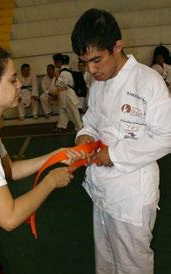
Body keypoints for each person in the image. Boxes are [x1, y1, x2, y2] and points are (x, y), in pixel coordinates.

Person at [0, 42, 85, 274]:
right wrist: (51, 181)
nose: (19, 85)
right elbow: (9, 217)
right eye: (12, 79)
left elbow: (9, 170)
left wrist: (55, 156)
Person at [71, 8, 171, 274]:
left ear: (117, 46)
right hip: (101, 190)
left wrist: (113, 155)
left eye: (96, 60)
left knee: (132, 266)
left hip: (132, 195)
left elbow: (166, 137)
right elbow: (91, 118)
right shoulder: (98, 83)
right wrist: (85, 135)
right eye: (85, 62)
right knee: (105, 262)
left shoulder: (148, 82)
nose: (91, 70)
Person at [52, 53, 82, 132]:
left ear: (59, 62)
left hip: (68, 93)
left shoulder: (65, 72)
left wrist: (58, 77)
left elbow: (64, 84)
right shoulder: (62, 71)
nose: (54, 64)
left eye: (55, 62)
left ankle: (80, 128)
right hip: (63, 93)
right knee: (63, 110)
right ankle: (61, 126)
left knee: (73, 111)